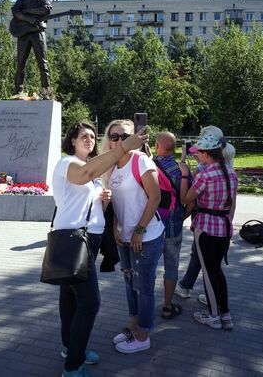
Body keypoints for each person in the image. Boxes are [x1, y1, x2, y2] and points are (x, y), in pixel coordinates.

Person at [52, 122, 149, 377]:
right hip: (73, 240)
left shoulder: (92, 171)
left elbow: (88, 206)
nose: (89, 139)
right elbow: (82, 175)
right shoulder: (68, 163)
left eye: (93, 136)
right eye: (83, 136)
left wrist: (102, 203)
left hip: (87, 240)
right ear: (72, 140)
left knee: (70, 298)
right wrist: (123, 148)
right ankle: (73, 366)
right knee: (90, 303)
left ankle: (69, 348)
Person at [101, 119, 165, 354]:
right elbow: (118, 203)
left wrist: (138, 230)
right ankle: (132, 326)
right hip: (125, 237)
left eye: (124, 135)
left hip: (146, 236)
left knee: (144, 286)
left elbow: (155, 198)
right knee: (130, 283)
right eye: (113, 136)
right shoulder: (112, 166)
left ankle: (143, 335)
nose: (118, 140)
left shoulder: (141, 160)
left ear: (134, 138)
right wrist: (117, 228)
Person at [184, 127, 238, 331]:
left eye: (199, 152)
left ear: (206, 154)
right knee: (217, 270)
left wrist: (184, 177)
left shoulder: (204, 175)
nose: (197, 154)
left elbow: (186, 199)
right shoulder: (231, 174)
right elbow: (231, 202)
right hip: (224, 226)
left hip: (206, 227)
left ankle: (214, 316)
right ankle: (226, 315)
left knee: (208, 273)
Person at [153, 132, 192, 319]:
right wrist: (180, 218)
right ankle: (167, 306)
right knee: (171, 267)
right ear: (175, 149)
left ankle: (144, 304)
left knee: (147, 268)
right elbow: (191, 201)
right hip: (173, 228)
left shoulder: (147, 167)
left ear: (156, 145)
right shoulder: (181, 170)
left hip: (150, 229)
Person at [10, 0, 52, 99]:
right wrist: (29, 19)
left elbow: (45, 10)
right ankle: (18, 91)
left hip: (38, 32)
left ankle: (47, 93)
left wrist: (27, 11)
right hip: (23, 33)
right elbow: (15, 12)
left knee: (42, 63)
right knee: (20, 63)